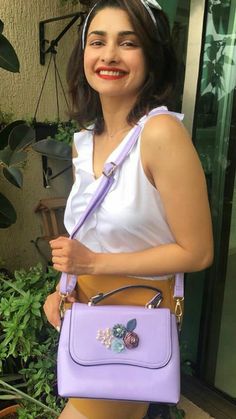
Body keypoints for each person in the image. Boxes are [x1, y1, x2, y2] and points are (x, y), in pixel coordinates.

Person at [44, 1, 213, 418]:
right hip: (86, 318)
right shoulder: (84, 141)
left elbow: (197, 252)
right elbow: (94, 236)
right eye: (97, 41)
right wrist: (64, 289)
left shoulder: (161, 134)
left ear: (151, 55)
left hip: (133, 323)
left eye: (128, 42)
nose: (109, 56)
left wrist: (94, 263)